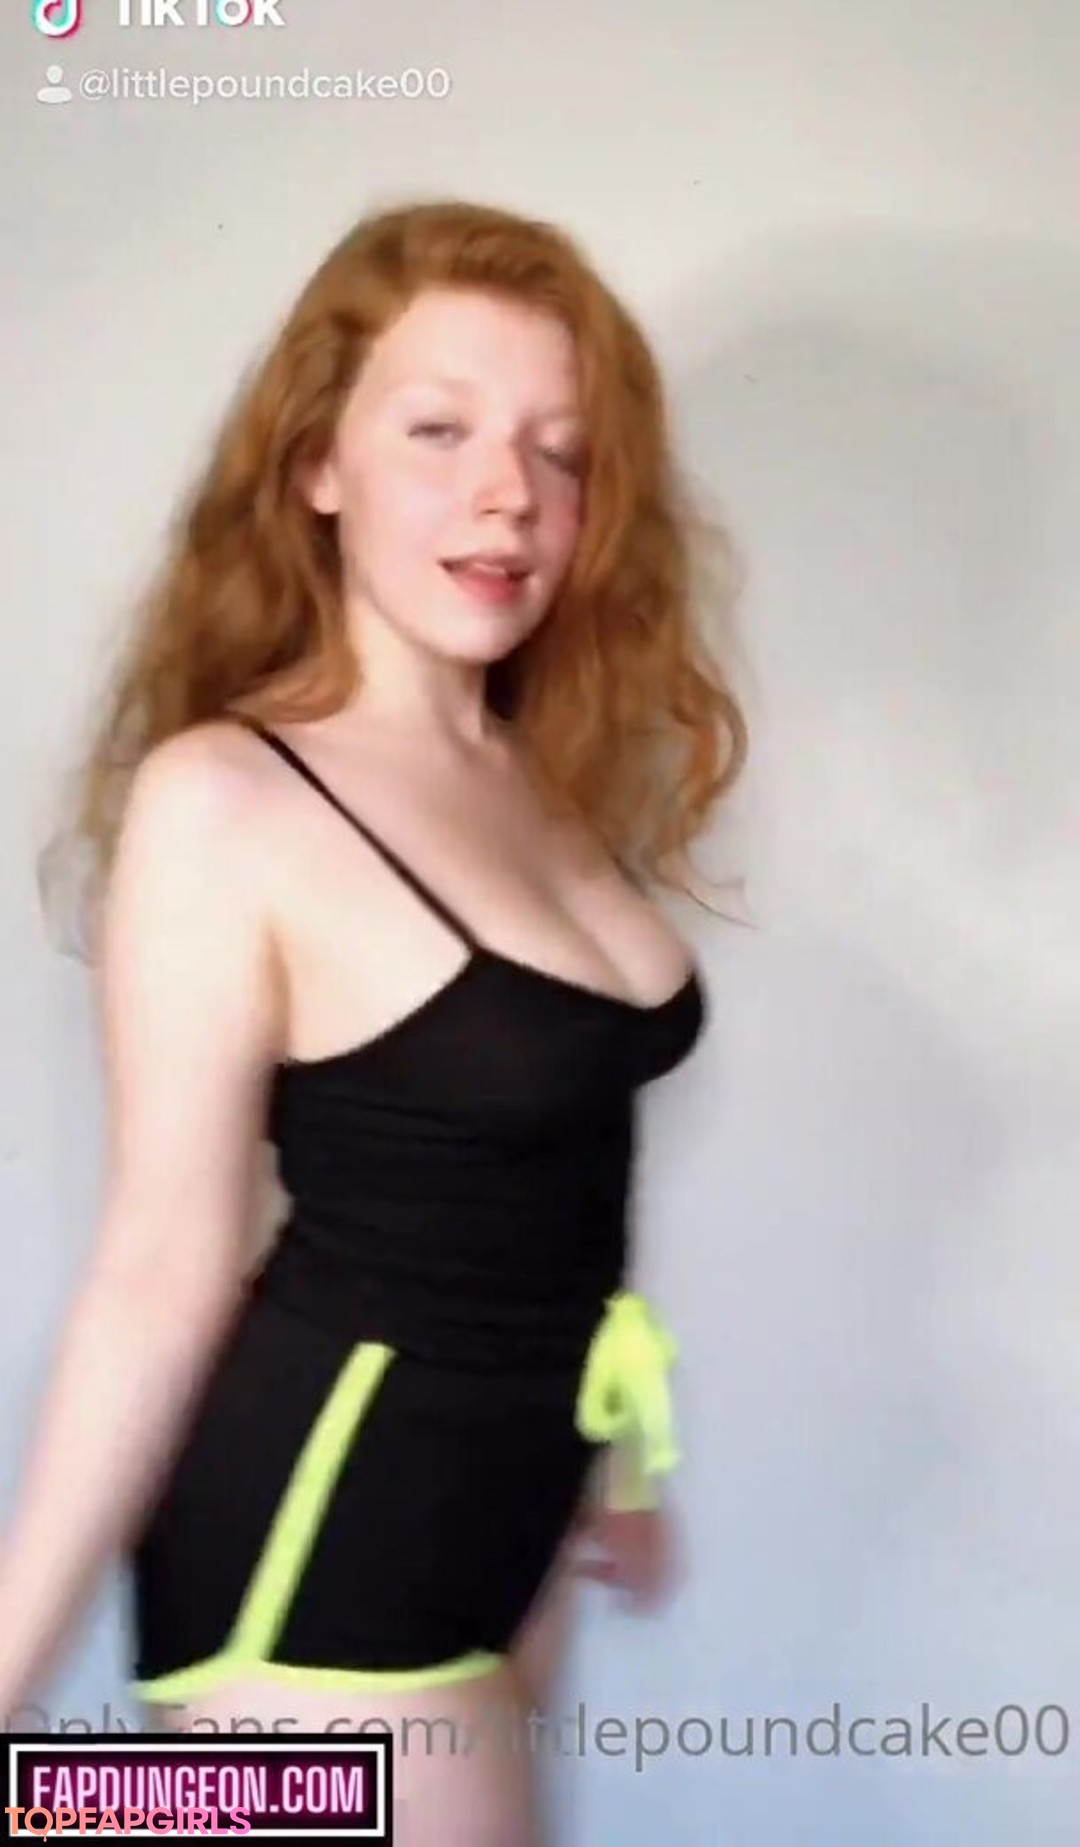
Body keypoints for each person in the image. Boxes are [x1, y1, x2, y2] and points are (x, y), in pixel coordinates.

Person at [2, 197, 748, 1845]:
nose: (510, 493)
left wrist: (614, 1463)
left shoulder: (537, 783)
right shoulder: (229, 799)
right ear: (315, 465)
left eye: (560, 451)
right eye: (440, 431)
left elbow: (542, 1169)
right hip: (311, 1560)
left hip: (499, 1534)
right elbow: (160, 1267)